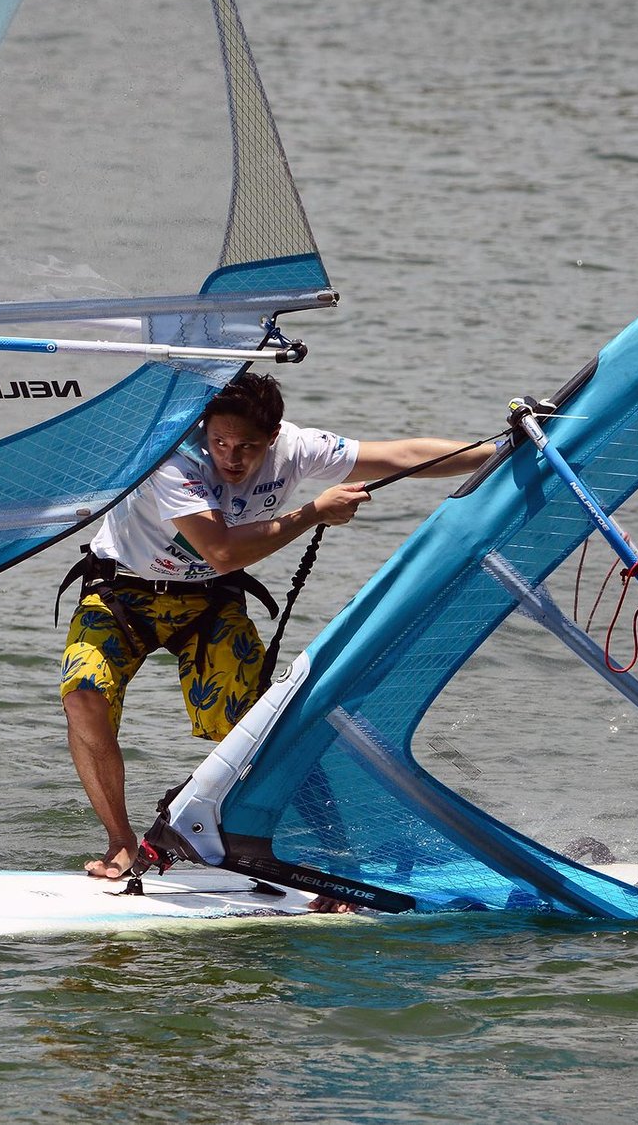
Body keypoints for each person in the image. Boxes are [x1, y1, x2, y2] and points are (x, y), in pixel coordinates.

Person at [58, 372, 499, 880]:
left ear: (272, 436)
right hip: (122, 594)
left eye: (246, 446)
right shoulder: (174, 457)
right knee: (84, 692)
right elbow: (222, 551)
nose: (231, 457)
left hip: (206, 604)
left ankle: (326, 851)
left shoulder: (295, 447)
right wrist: (312, 512)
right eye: (219, 441)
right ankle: (120, 842)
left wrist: (506, 448)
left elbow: (401, 456)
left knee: (253, 729)